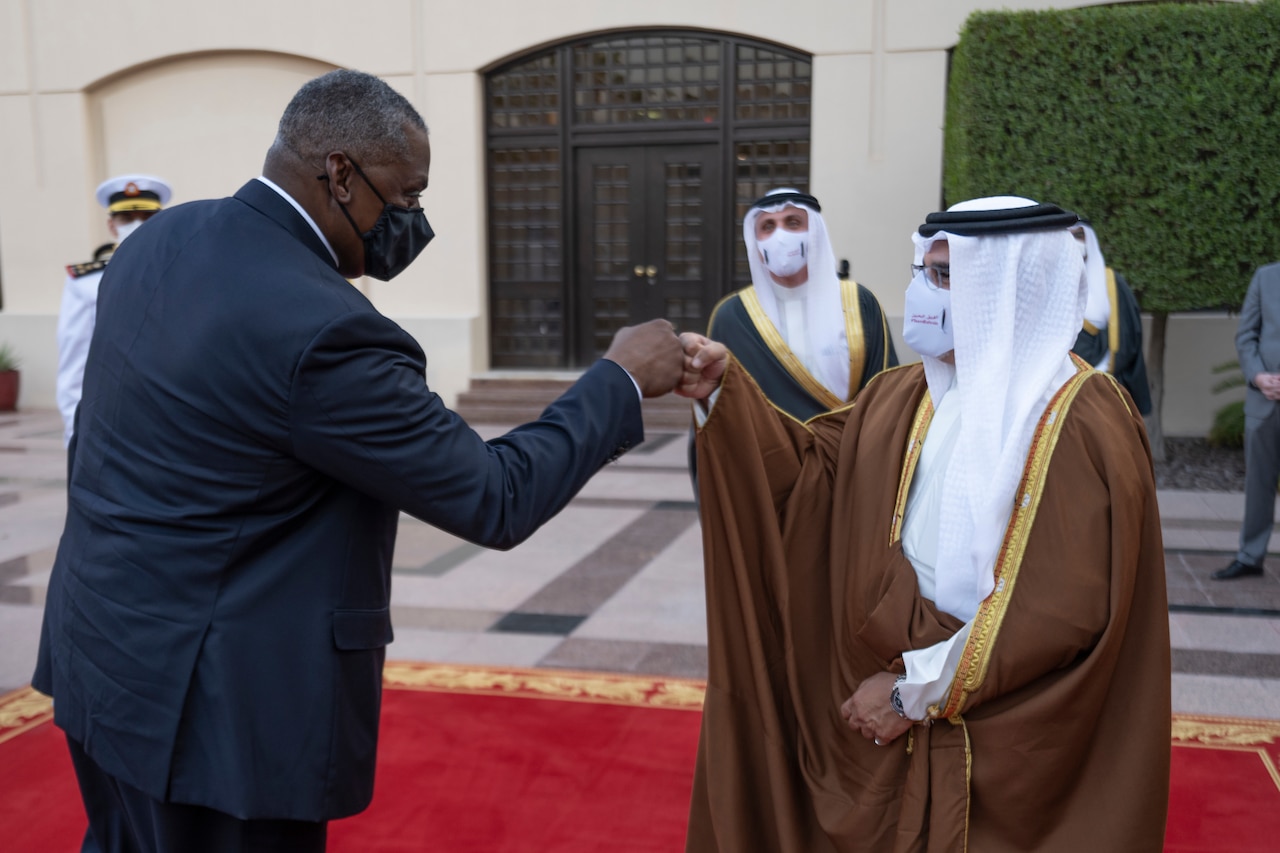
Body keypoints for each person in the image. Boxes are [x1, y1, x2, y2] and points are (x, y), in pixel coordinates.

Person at [33, 69, 683, 853]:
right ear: (340, 173)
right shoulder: (326, 329)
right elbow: (494, 495)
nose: (411, 220)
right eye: (405, 198)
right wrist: (617, 379)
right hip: (218, 721)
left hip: (100, 656)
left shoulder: (163, 240)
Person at [678, 196, 1171, 851]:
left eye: (943, 275)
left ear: (1006, 288)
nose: (918, 290)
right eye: (919, 269)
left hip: (1000, 738)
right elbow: (810, 478)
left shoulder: (1079, 418)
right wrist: (723, 394)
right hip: (885, 712)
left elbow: (1061, 610)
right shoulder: (900, 393)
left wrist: (917, 689)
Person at [708, 188, 897, 421]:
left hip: (850, 450)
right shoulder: (733, 316)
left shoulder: (859, 303)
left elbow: (887, 392)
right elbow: (720, 405)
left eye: (793, 223)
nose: (780, 236)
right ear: (755, 242)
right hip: (770, 454)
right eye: (768, 227)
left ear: (815, 233)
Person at [57, 174, 173, 445]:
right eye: (126, 218)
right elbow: (74, 362)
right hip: (113, 420)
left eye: (146, 216)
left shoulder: (182, 270)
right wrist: (75, 437)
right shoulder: (86, 282)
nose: (137, 224)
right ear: (111, 225)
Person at [1214, 260, 1280, 580]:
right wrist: (1257, 377)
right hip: (1264, 402)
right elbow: (1246, 336)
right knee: (1259, 484)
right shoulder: (1265, 278)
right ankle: (1250, 556)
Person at [1070, 221, 1153, 415]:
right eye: (1070, 236)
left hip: (1109, 383)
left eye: (1079, 236)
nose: (1075, 242)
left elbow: (1129, 333)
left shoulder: (1112, 283)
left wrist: (1102, 369)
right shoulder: (1051, 283)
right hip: (1065, 388)